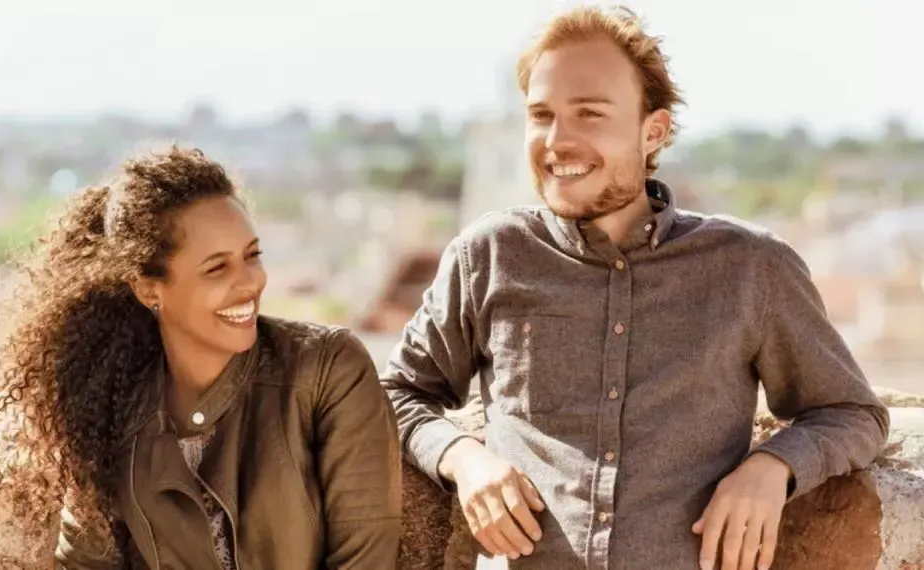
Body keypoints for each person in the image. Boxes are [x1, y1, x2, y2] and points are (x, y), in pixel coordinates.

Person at [380, 6, 889, 570]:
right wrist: (462, 456)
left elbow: (852, 412)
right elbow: (397, 392)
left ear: (654, 131)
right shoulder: (489, 255)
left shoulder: (751, 267)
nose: (557, 141)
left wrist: (773, 466)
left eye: (589, 114)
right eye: (541, 114)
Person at [0, 146, 402, 569]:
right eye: (217, 268)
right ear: (148, 289)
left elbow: (366, 558)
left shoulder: (328, 370)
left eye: (252, 255)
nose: (249, 283)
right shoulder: (107, 408)